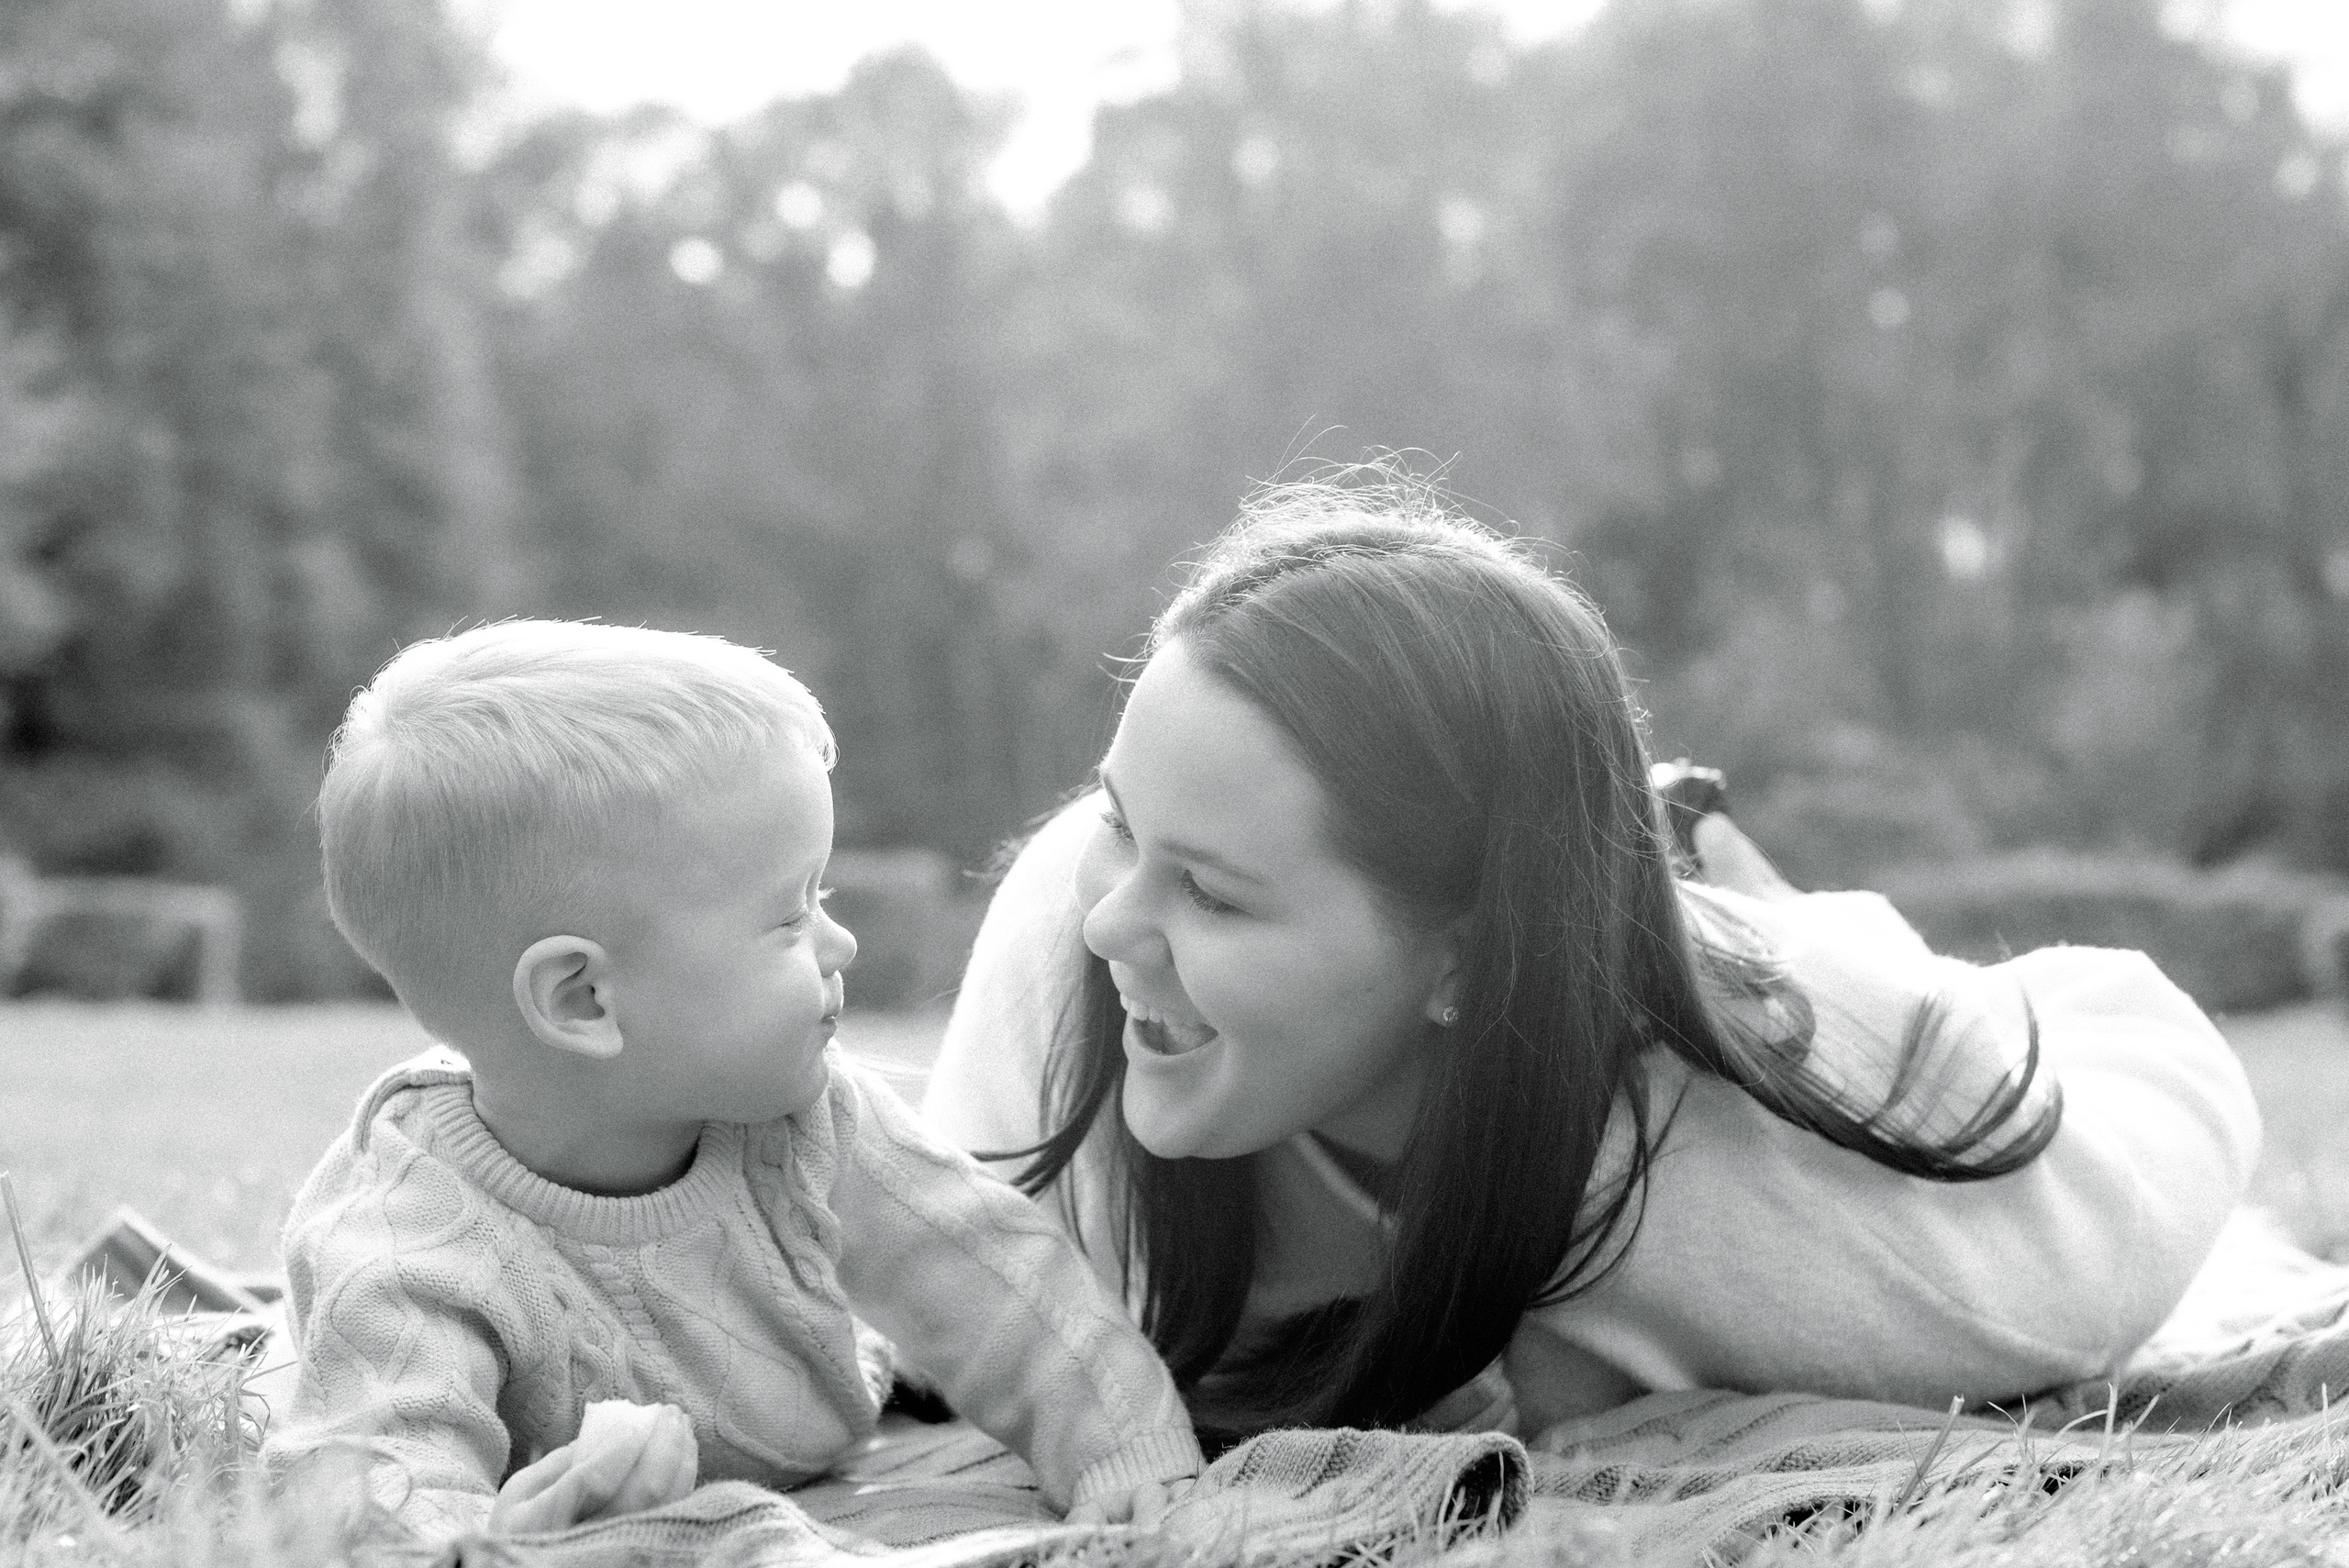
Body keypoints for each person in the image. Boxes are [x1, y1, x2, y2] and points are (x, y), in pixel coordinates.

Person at [922, 474, 2261, 1446]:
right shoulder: (1070, 933)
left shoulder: (1744, 1205)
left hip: (1768, 993)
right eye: (1119, 818)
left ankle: (1720, 882)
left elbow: (2167, 1077)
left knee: (1804, 953)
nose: (1110, 922)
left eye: (1212, 894)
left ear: (1463, 959)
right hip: (1577, 938)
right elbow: (920, 1306)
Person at [266, 621, 1201, 1541]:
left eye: (823, 896)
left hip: (822, 1439)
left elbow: (998, 1280)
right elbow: (376, 1470)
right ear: (583, 997)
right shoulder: (407, 1233)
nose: (841, 943)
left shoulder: (805, 1118)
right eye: (790, 916)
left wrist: (1122, 1448)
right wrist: (495, 1536)